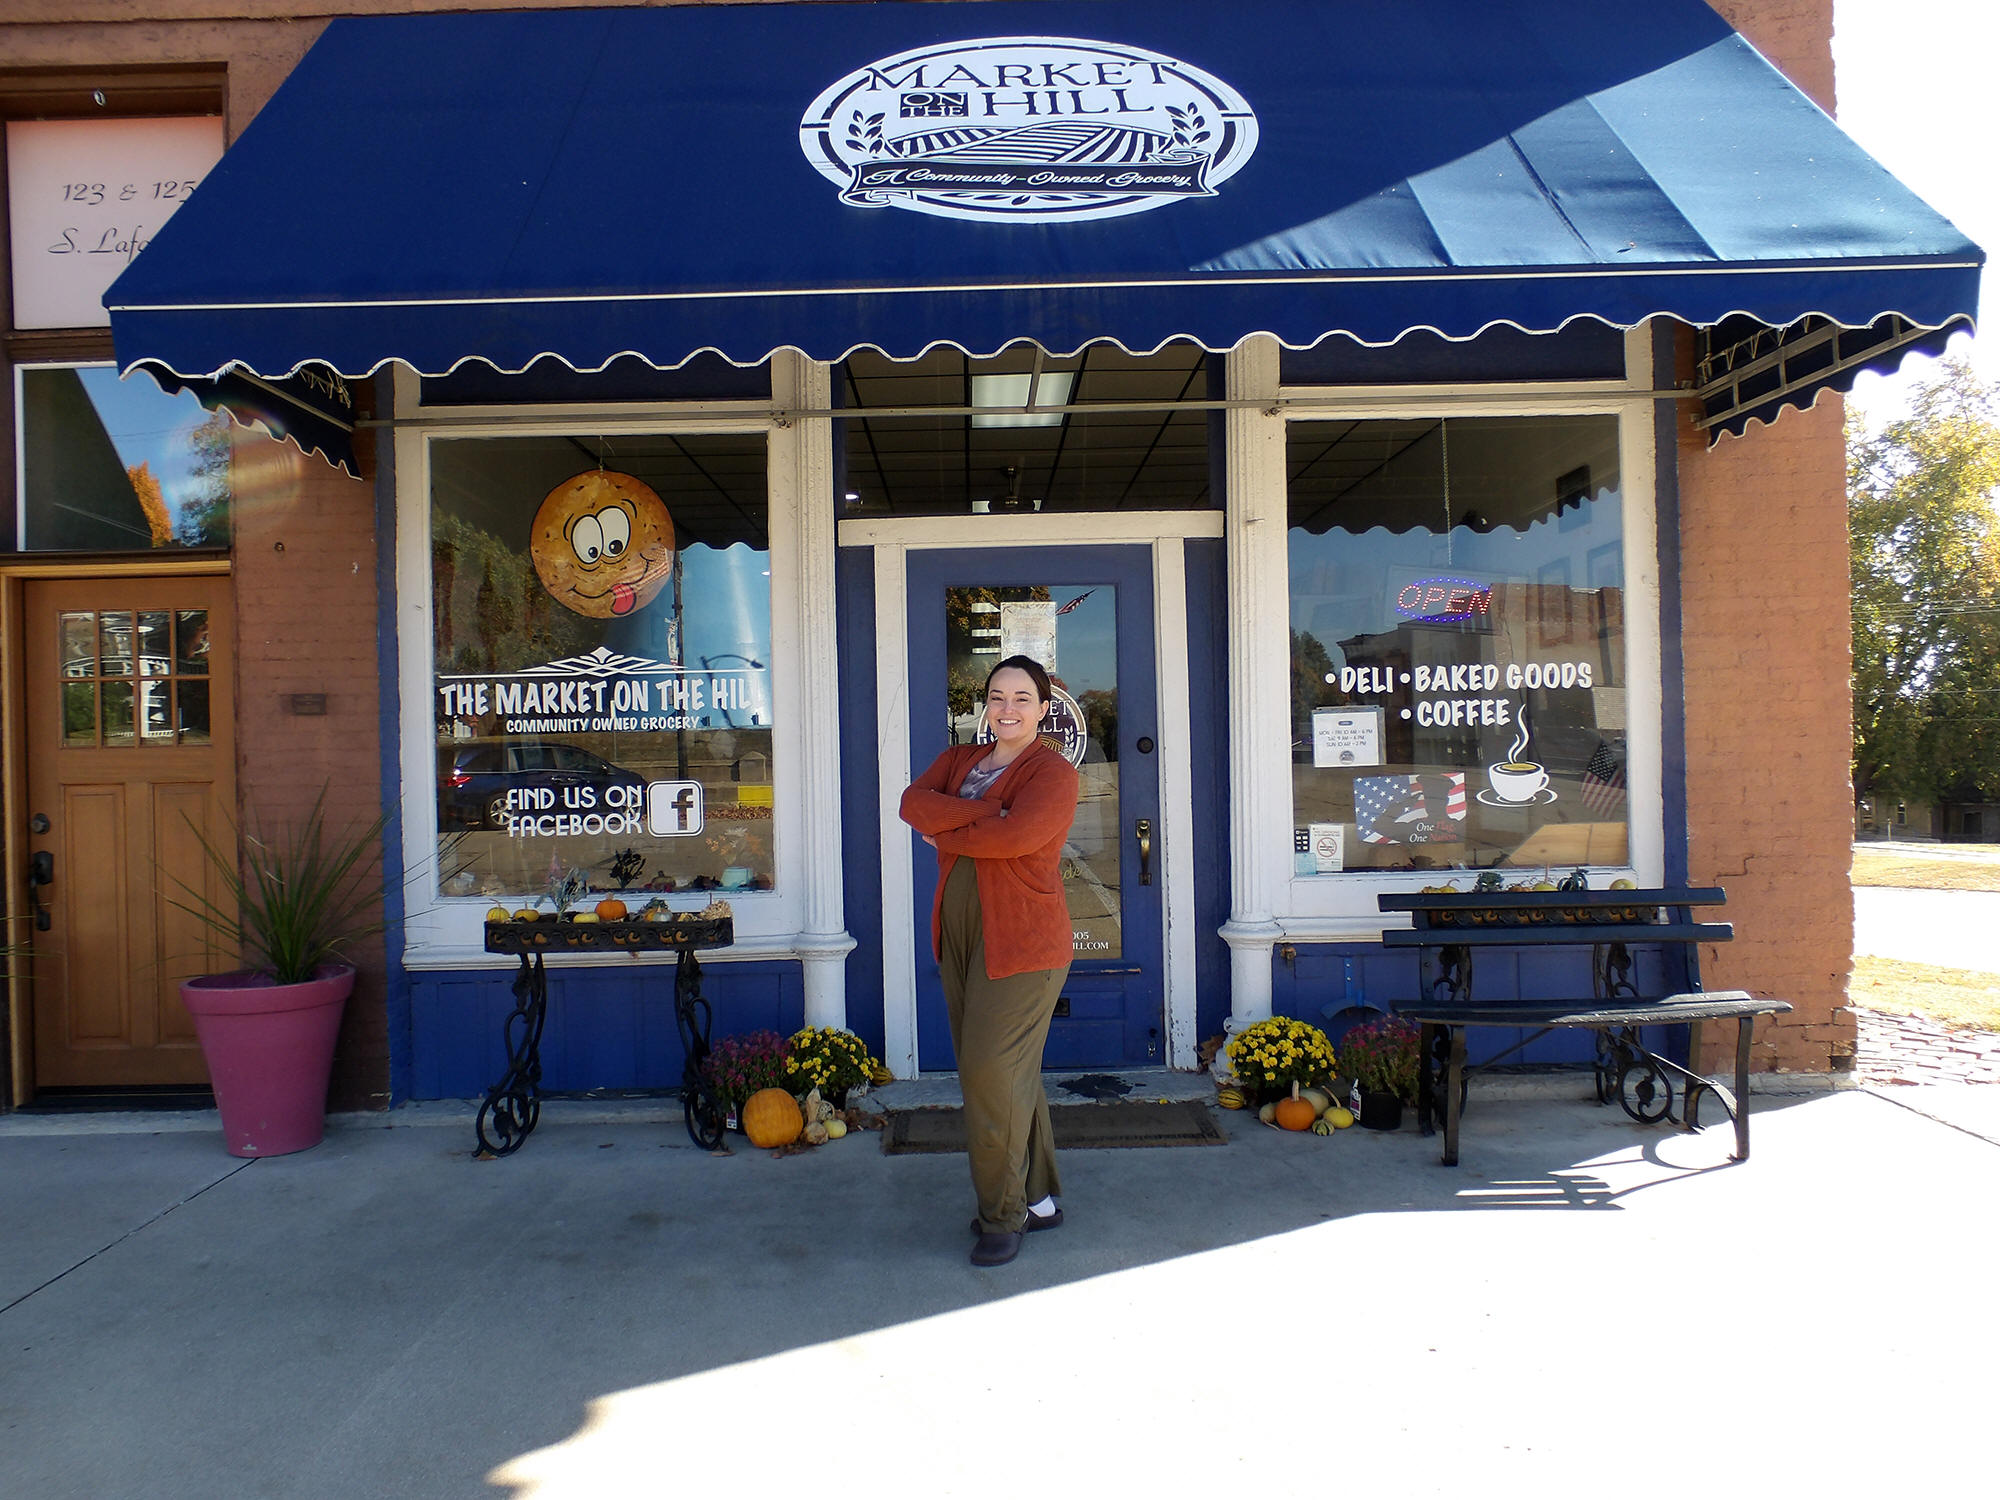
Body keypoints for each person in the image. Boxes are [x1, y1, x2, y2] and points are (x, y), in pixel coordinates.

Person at [899, 655, 1080, 1267]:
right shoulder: (960, 760)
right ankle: (1039, 1200)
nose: (1008, 708)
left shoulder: (1052, 773)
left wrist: (951, 827)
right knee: (1009, 1076)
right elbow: (912, 803)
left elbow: (1017, 837)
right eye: (998, 696)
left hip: (1023, 941)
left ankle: (1003, 1215)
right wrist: (987, 811)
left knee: (988, 1074)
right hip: (960, 935)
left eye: (1022, 698)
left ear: (1044, 707)